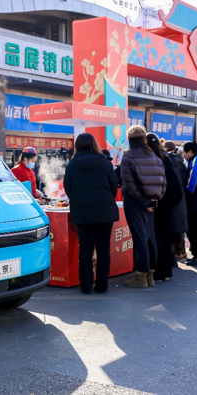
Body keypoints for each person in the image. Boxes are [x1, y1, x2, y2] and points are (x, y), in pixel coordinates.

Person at [64, 133, 119, 294]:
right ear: (94, 144)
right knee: (103, 249)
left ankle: (86, 286)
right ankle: (102, 286)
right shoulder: (105, 162)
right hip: (104, 212)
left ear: (77, 146)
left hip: (82, 213)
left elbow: (68, 188)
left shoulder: (72, 165)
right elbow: (113, 186)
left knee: (85, 249)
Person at [120, 126, 167, 288]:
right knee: (149, 238)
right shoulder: (155, 157)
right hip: (151, 203)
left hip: (135, 202)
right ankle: (150, 276)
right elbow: (163, 184)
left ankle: (141, 276)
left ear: (130, 140)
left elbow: (130, 185)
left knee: (139, 238)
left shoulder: (128, 157)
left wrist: (142, 202)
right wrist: (153, 202)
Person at [147, 134, 183, 281]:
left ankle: (157, 271)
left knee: (155, 237)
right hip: (167, 203)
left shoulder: (149, 159)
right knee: (165, 236)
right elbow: (176, 186)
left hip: (155, 203)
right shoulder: (166, 159)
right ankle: (167, 271)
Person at [164, 141, 189, 261]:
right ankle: (181, 251)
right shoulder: (181, 163)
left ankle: (176, 253)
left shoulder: (168, 163)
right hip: (181, 197)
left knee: (173, 226)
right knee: (179, 226)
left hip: (172, 197)